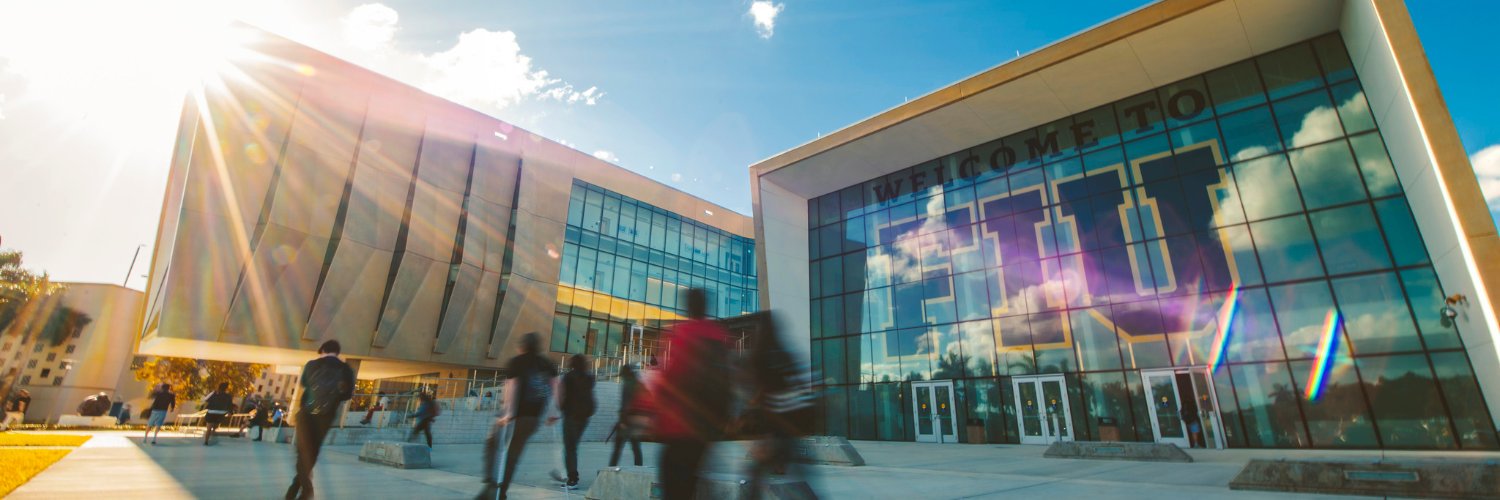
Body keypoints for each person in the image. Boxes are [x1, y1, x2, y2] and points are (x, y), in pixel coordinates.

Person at [649, 289, 733, 500]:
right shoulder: (719, 333)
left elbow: (672, 375)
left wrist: (653, 407)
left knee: (673, 481)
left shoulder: (681, 332)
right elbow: (730, 377)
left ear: (688, 306)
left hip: (680, 422)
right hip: (707, 424)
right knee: (690, 477)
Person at [743, 313, 815, 500]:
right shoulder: (785, 353)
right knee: (803, 476)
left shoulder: (760, 356)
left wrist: (761, 430)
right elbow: (799, 385)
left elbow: (762, 394)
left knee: (755, 476)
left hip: (776, 424)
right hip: (793, 422)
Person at [479, 332, 558, 500]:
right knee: (513, 455)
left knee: (492, 442)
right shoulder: (547, 364)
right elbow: (555, 387)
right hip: (533, 418)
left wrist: (509, 413)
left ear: (522, 346)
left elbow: (512, 386)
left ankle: (492, 483)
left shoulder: (517, 362)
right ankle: (502, 491)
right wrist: (553, 412)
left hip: (515, 414)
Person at [285, 340, 355, 500]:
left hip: (307, 413)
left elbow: (304, 383)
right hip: (326, 415)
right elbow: (347, 394)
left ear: (323, 349)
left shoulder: (312, 364)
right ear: (337, 352)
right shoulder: (346, 369)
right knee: (312, 452)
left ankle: (305, 489)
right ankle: (298, 489)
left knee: (302, 451)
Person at [558, 354, 596, 489]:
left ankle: (573, 479)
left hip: (571, 415)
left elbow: (561, 395)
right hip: (584, 416)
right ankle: (572, 475)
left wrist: (559, 408)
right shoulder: (590, 377)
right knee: (573, 447)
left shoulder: (568, 377)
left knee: (570, 448)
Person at [609, 364, 645, 467]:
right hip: (637, 419)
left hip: (626, 420)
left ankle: (611, 469)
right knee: (636, 447)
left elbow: (625, 404)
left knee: (617, 448)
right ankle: (639, 469)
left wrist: (622, 421)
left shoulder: (627, 384)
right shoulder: (638, 383)